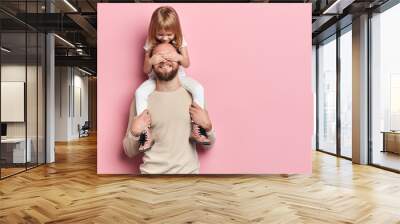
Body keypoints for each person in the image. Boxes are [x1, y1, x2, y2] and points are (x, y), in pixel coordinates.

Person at [123, 42, 216, 174]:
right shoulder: (140, 100)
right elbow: (129, 151)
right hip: (151, 180)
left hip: (189, 179)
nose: (164, 60)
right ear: (152, 63)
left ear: (179, 60)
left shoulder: (194, 96)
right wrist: (134, 132)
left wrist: (208, 126)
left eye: (169, 56)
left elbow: (209, 145)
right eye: (159, 56)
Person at [135, 6, 210, 152]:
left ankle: (197, 126)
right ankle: (145, 133)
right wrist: (152, 60)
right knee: (139, 93)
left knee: (199, 89)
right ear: (153, 31)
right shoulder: (150, 42)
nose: (165, 38)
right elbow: (145, 70)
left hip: (179, 77)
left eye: (169, 35)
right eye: (160, 35)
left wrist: (178, 57)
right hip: (155, 79)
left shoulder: (180, 40)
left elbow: (187, 63)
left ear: (175, 31)